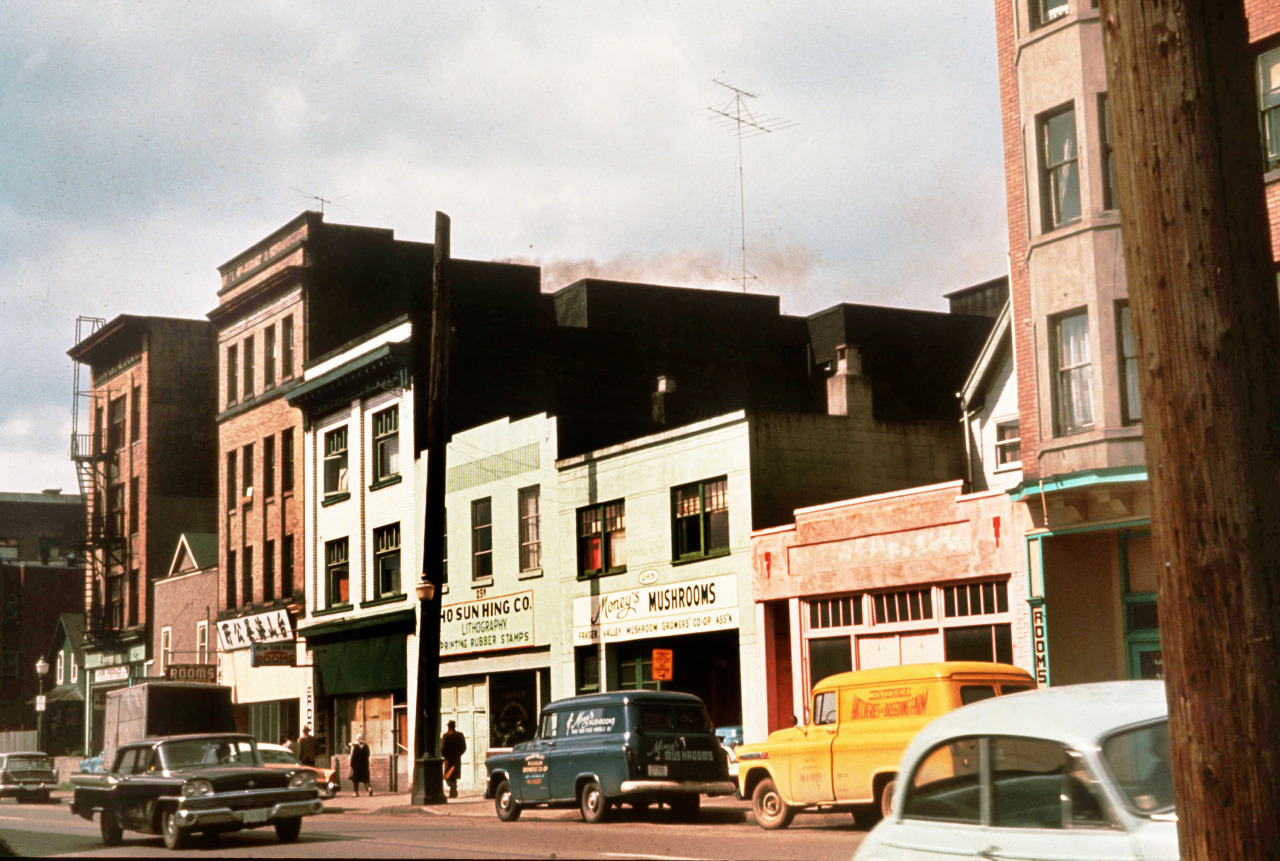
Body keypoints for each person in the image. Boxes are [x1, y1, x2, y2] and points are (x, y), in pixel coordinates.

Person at [441, 720, 467, 798]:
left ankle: (453, 788)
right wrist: (459, 754)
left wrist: (445, 755)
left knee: (447, 776)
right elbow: (464, 747)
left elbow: (442, 748)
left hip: (448, 759)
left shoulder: (446, 735)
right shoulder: (460, 735)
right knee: (454, 776)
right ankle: (453, 791)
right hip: (456, 759)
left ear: (448, 727)